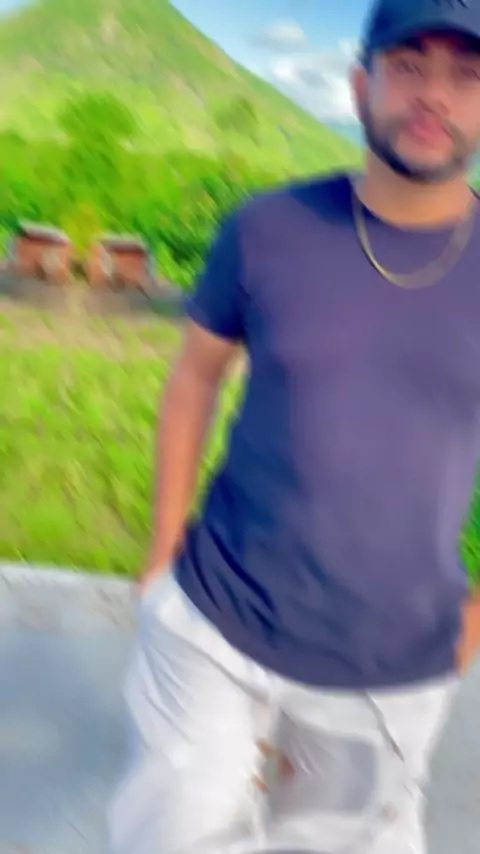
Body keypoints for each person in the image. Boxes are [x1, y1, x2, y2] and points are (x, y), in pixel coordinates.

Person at [109, 0, 480, 851]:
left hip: (391, 663)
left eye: (467, 75)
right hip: (214, 622)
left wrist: (478, 618)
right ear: (359, 86)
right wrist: (163, 550)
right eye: (408, 66)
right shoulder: (267, 228)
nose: (434, 95)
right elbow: (195, 376)